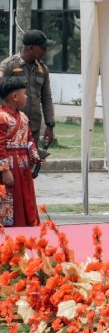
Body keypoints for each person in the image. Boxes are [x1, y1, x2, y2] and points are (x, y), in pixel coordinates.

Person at [0, 30, 55, 149]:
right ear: (31, 47)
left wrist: (50, 125)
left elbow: (47, 98)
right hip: (11, 127)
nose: (45, 51)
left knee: (31, 158)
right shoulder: (9, 66)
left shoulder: (43, 69)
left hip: (33, 127)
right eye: (42, 47)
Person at [0, 77, 40, 227]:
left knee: (25, 194)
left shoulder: (23, 117)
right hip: (10, 165)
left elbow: (29, 138)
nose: (27, 96)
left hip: (23, 165)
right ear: (15, 96)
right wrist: (4, 170)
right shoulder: (2, 117)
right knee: (10, 197)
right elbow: (0, 145)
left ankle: (26, 224)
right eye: (24, 93)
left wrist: (34, 155)